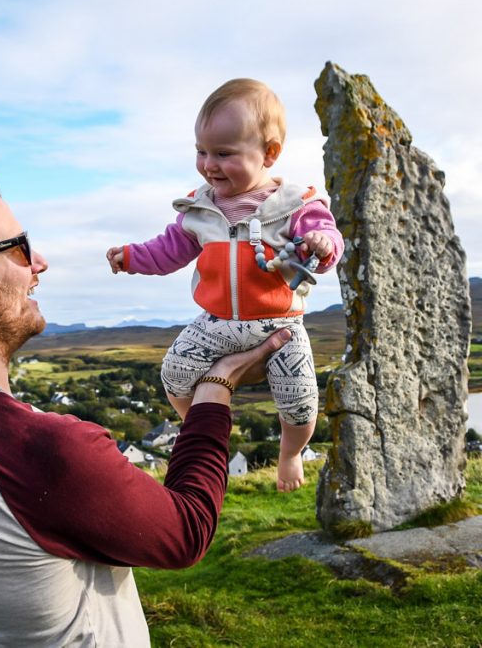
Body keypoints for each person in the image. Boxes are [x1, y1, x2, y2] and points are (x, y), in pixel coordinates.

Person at [0, 167, 291, 647]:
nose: (38, 262)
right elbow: (187, 531)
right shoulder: (42, 450)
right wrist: (215, 386)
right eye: (17, 247)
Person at [106, 78, 343, 492]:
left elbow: (329, 240)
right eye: (201, 151)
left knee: (301, 401)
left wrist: (323, 245)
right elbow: (168, 250)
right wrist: (131, 257)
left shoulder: (295, 207)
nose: (209, 164)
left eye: (224, 153)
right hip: (215, 321)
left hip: (281, 324)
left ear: (269, 153)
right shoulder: (202, 210)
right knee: (175, 373)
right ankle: (204, 429)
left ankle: (290, 454)